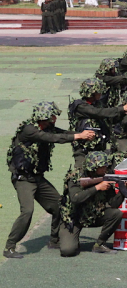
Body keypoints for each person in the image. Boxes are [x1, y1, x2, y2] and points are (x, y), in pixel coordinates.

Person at [4, 102, 96, 259]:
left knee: (58, 205)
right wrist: (78, 136)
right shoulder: (29, 130)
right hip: (23, 179)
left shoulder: (47, 127)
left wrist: (82, 134)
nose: (55, 119)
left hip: (37, 178)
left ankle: (54, 239)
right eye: (53, 116)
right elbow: (52, 138)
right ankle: (9, 247)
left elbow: (62, 133)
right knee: (27, 211)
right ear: (45, 117)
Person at [57, 151, 127, 256]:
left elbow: (113, 204)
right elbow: (75, 198)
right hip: (73, 218)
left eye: (106, 166)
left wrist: (125, 187)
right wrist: (98, 187)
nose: (105, 168)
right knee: (68, 251)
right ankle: (57, 237)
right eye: (102, 167)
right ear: (93, 167)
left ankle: (100, 244)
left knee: (116, 213)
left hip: (93, 214)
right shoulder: (76, 177)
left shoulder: (105, 177)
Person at [69, 78, 127, 169]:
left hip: (99, 145)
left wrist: (124, 113)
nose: (100, 94)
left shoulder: (98, 104)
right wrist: (121, 109)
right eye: (98, 92)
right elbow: (97, 113)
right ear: (91, 93)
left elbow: (109, 118)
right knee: (81, 171)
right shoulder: (80, 106)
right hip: (83, 148)